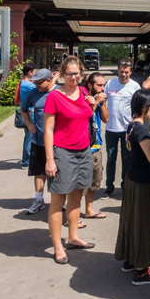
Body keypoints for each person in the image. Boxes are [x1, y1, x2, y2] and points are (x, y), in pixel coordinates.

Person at [44, 56, 96, 264]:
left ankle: (73, 237)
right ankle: (58, 247)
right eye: (69, 74)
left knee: (77, 196)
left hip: (83, 151)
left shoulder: (84, 92)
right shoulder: (54, 97)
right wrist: (50, 159)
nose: (73, 77)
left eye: (77, 74)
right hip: (62, 152)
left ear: (81, 74)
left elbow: (83, 119)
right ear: (62, 74)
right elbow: (48, 130)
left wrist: (92, 105)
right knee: (59, 200)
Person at [115, 89, 150, 285]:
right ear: (144, 108)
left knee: (132, 221)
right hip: (144, 183)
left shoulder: (131, 126)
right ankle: (141, 270)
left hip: (133, 179)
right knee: (144, 224)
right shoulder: (141, 130)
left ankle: (131, 259)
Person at [21, 68, 57, 215]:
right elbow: (23, 109)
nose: (37, 86)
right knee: (39, 172)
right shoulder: (33, 94)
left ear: (49, 80)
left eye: (39, 83)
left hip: (57, 142)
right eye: (35, 83)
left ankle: (60, 202)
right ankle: (39, 200)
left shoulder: (59, 92)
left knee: (58, 173)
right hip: (38, 141)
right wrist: (29, 124)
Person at [104, 59, 140, 197]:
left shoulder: (135, 86)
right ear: (117, 71)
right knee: (111, 158)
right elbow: (104, 101)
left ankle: (125, 185)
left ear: (130, 72)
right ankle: (109, 186)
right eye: (121, 72)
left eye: (126, 72)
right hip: (111, 128)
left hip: (127, 129)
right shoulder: (110, 84)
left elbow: (138, 107)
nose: (123, 75)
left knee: (127, 159)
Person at [83, 72, 109, 219]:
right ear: (90, 85)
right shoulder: (83, 99)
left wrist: (101, 103)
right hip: (83, 146)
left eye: (104, 85)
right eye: (99, 85)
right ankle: (71, 215)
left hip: (96, 146)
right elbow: (83, 117)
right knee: (78, 184)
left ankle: (89, 209)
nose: (102, 88)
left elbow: (106, 119)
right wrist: (94, 104)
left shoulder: (99, 100)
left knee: (94, 181)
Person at [16, 62, 38, 168]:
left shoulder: (24, 83)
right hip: (29, 113)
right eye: (35, 72)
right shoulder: (27, 84)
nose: (36, 74)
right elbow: (40, 88)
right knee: (30, 137)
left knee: (28, 137)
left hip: (28, 112)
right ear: (29, 72)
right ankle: (27, 162)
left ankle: (26, 160)